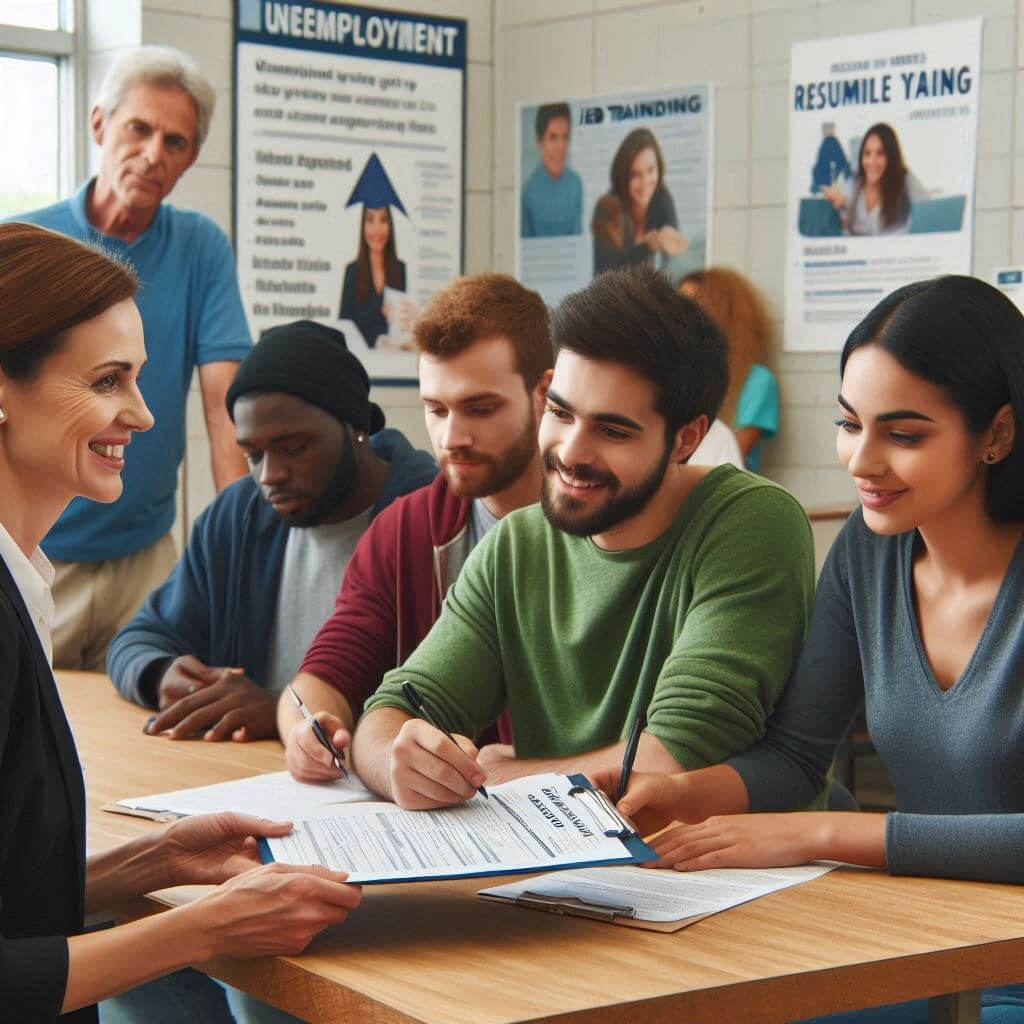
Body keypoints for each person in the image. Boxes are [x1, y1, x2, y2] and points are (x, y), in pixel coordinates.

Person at [597, 275, 1024, 1023]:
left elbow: (811, 808)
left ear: (997, 434)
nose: (860, 461)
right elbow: (796, 753)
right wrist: (683, 794)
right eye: (848, 423)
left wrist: (823, 832)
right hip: (923, 949)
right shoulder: (870, 550)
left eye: (904, 434)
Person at [0, 223, 361, 1024]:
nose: (142, 414)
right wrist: (201, 931)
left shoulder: (21, 577)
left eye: (139, 379)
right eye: (106, 381)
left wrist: (151, 859)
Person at [349, 265, 815, 810]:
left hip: (733, 880)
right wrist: (398, 762)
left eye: (612, 430)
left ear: (687, 438)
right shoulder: (516, 545)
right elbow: (388, 713)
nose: (570, 451)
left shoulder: (753, 522)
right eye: (560, 413)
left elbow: (667, 764)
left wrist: (499, 774)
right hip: (565, 875)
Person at [9, 47, 252, 673]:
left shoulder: (200, 246)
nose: (152, 154)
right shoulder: (27, 247)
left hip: (146, 557)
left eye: (175, 141)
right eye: (138, 129)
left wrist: (239, 546)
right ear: (98, 125)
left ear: (190, 158)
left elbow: (226, 407)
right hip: (32, 547)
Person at [106, 318, 436, 741]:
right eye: (253, 454)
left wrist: (285, 712)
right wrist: (163, 674)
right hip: (250, 780)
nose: (269, 475)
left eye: (294, 447)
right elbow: (138, 639)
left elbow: (445, 700)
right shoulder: (236, 516)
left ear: (355, 427)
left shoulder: (433, 518)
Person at [281, 273, 552, 782]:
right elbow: (326, 672)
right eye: (436, 409)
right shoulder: (403, 529)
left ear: (544, 392)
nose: (453, 437)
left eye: (481, 408)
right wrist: (307, 731)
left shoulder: (602, 530)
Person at [681, 268, 779, 472]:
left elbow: (729, 457)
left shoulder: (757, 381)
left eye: (690, 307)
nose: (679, 317)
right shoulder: (674, 374)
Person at [591, 128, 687, 276]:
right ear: (623, 176)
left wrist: (672, 242)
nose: (645, 183)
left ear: (658, 168)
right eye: (635, 174)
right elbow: (604, 273)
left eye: (650, 170)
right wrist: (648, 246)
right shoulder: (606, 206)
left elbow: (674, 264)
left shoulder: (662, 197)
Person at [820, 123, 927, 236]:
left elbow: (927, 214)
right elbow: (845, 225)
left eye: (880, 154)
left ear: (891, 156)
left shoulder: (905, 180)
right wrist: (840, 210)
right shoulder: (853, 184)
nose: (872, 162)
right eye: (867, 154)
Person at [339, 205, 406, 349]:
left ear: (390, 226)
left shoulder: (400, 270)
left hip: (392, 361)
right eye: (370, 220)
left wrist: (397, 320)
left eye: (383, 220)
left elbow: (405, 331)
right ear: (363, 226)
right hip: (360, 361)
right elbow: (343, 326)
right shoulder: (352, 271)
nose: (377, 229)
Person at [520, 102, 584, 238]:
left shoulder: (576, 183)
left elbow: (577, 239)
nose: (561, 146)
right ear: (539, 142)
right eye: (553, 138)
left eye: (565, 137)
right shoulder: (527, 192)